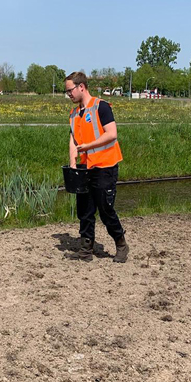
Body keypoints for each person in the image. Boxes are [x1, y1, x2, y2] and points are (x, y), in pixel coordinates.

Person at [65, 71, 126, 262]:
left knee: (106, 209)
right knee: (85, 210)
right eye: (67, 92)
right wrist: (73, 163)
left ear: (81, 87)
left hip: (105, 165)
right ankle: (86, 249)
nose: (69, 95)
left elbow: (112, 134)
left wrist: (89, 146)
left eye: (70, 91)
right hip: (85, 167)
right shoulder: (74, 113)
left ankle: (121, 243)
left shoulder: (102, 107)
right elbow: (73, 139)